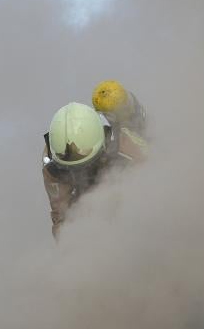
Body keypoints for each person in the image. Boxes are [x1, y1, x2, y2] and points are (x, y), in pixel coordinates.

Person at [40, 81, 148, 239]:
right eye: (73, 167)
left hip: (122, 178)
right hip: (88, 193)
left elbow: (155, 184)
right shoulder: (52, 162)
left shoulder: (127, 145)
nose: (80, 171)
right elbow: (60, 215)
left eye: (84, 165)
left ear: (104, 141)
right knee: (79, 215)